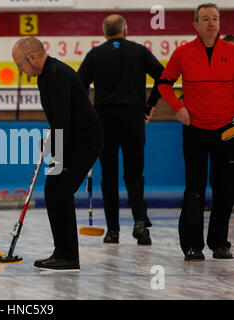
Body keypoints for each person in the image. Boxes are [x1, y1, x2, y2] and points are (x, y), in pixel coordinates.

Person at [12, 36, 104, 271]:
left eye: (19, 64)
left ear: (32, 57)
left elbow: (64, 120)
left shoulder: (56, 75)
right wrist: (52, 145)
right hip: (70, 139)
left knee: (60, 192)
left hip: (83, 141)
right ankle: (62, 252)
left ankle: (69, 257)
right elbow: (58, 119)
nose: (19, 70)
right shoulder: (45, 76)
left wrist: (59, 159)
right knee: (54, 191)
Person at [77, 15, 164, 245]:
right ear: (126, 30)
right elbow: (164, 76)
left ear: (105, 33)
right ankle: (140, 225)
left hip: (104, 121)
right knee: (135, 174)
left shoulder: (95, 55)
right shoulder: (139, 51)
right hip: (133, 118)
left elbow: (79, 87)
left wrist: (89, 114)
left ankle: (113, 231)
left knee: (109, 177)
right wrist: (150, 104)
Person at [158, 3, 234, 261]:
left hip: (227, 131)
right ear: (196, 24)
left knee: (225, 188)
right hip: (195, 130)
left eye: (215, 18)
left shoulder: (232, 52)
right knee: (194, 188)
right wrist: (178, 108)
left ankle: (220, 243)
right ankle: (192, 245)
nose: (211, 23)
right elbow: (164, 84)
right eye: (205, 19)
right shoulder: (182, 53)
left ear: (220, 23)